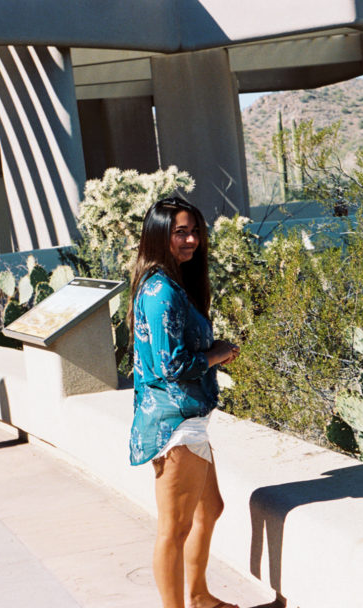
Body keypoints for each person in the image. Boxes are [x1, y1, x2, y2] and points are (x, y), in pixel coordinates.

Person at [128, 196, 240, 608]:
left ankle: (198, 596)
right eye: (180, 232)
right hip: (175, 423)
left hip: (188, 417)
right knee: (172, 530)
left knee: (210, 509)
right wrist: (219, 353)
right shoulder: (161, 291)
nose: (191, 239)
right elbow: (173, 365)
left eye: (194, 230)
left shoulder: (171, 284)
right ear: (160, 236)